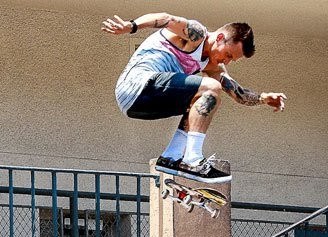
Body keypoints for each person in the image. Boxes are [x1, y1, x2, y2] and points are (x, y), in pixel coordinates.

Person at [102, 12, 287, 184]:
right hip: (138, 84)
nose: (226, 62)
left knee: (203, 99)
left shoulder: (212, 65)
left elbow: (238, 93)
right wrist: (131, 26)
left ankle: (171, 157)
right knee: (211, 87)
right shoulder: (197, 34)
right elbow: (165, 19)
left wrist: (264, 98)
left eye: (232, 60)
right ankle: (192, 159)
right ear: (220, 38)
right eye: (228, 54)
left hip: (139, 104)